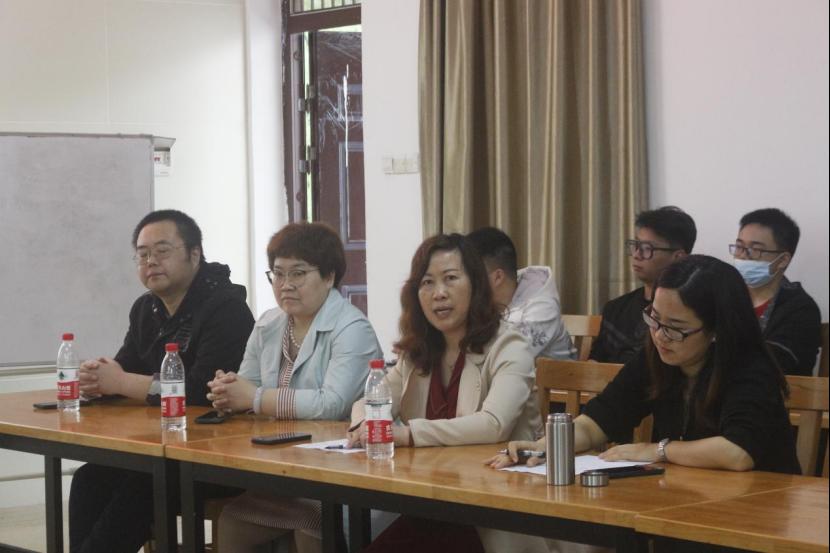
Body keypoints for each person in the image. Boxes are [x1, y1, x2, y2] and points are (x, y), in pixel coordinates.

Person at [489, 255, 800, 478]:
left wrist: (656, 450)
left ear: (717, 330)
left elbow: (737, 453)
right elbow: (599, 420)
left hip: (759, 507)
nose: (660, 335)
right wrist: (545, 447)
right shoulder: (658, 356)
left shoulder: (750, 367)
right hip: (685, 497)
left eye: (676, 328)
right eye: (655, 319)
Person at [346, 233, 547, 553]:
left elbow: (494, 424)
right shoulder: (419, 351)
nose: (439, 293)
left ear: (476, 286)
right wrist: (362, 424)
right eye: (427, 282)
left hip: (495, 512)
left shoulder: (509, 345)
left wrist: (408, 434)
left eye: (451, 278)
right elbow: (373, 399)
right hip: (432, 504)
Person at [69, 209, 254, 553]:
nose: (151, 261)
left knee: (143, 483)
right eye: (142, 254)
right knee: (89, 478)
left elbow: (200, 391)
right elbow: (126, 366)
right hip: (163, 448)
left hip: (217, 455)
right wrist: (97, 378)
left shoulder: (226, 308)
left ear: (194, 254)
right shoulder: (146, 308)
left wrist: (120, 382)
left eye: (162, 251)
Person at [208, 222, 383, 553]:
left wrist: (254, 398)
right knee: (232, 519)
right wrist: (228, 392)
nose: (285, 285)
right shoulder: (268, 323)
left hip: (344, 473)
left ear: (329, 277)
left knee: (312, 520)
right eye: (278, 274)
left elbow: (332, 403)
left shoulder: (352, 327)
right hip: (286, 465)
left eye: (298, 274)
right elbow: (248, 385)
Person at [590, 206, 696, 363]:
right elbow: (594, 363)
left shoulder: (690, 313)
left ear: (678, 257)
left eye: (647, 248)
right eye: (635, 245)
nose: (636, 255)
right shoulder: (615, 309)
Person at [730, 208, 821, 375]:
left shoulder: (801, 309)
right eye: (739, 246)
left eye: (755, 250)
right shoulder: (726, 293)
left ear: (783, 260)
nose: (742, 256)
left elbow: (774, 366)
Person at [467, 226, 575, 359]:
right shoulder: (485, 300)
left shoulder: (542, 307)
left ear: (497, 277)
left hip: (551, 373)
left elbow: (509, 357)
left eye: (470, 274)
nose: (463, 281)